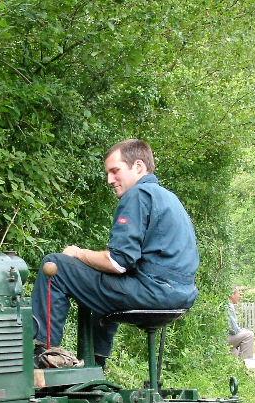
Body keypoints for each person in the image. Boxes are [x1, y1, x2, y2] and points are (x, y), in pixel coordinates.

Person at [31, 139, 199, 367]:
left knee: (55, 267)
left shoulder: (138, 195)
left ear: (138, 167)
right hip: (182, 295)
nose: (110, 180)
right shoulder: (169, 198)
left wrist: (78, 253)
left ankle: (43, 355)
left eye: (115, 171)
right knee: (100, 280)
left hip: (155, 292)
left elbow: (117, 262)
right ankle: (95, 365)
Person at [227, 287, 255, 359]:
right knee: (249, 335)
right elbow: (233, 330)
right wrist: (242, 330)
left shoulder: (224, 304)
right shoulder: (228, 306)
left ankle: (237, 362)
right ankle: (245, 361)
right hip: (224, 338)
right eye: (238, 294)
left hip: (221, 337)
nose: (239, 296)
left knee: (235, 352)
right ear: (232, 295)